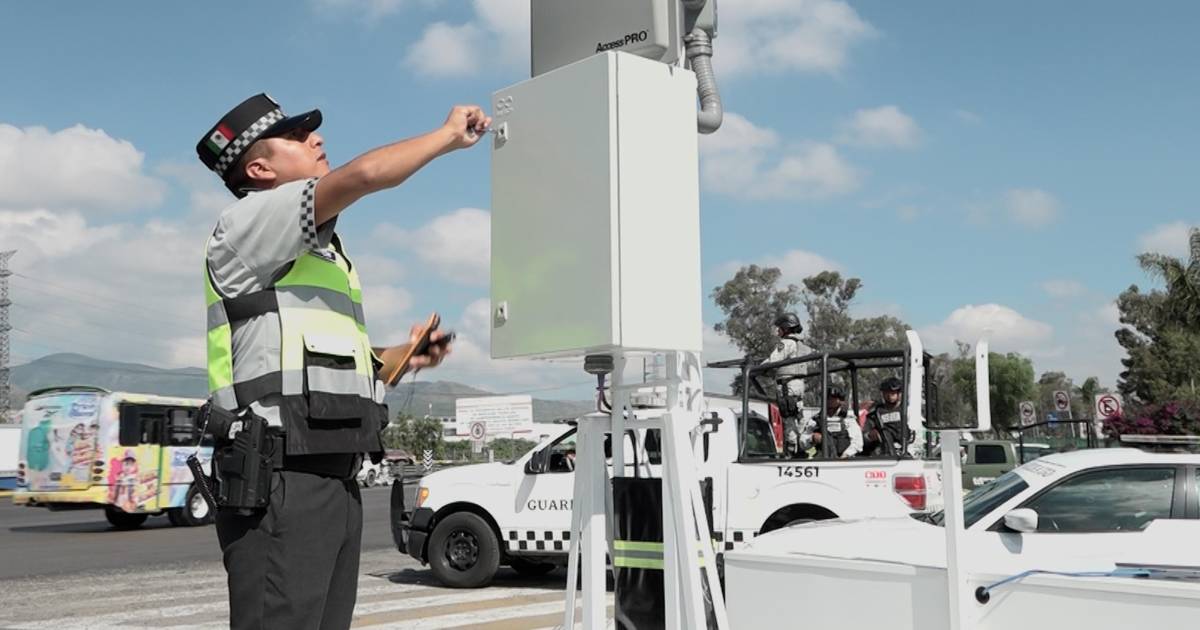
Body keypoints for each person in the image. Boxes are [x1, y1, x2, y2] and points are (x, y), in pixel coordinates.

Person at [197, 93, 483, 630]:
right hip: (281, 480)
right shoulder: (247, 224)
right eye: (297, 137)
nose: (317, 139)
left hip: (332, 478)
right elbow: (367, 174)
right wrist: (446, 136)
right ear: (258, 169)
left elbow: (340, 362)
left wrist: (406, 356)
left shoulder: (320, 256)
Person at [766, 312, 811, 457]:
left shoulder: (786, 343)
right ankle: (802, 448)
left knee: (789, 420)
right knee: (799, 417)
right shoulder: (802, 345)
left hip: (787, 386)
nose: (777, 331)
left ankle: (792, 453)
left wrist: (754, 368)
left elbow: (773, 361)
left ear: (786, 328)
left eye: (779, 328)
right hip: (799, 385)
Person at [799, 386, 863, 458]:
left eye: (832, 397)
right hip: (823, 461)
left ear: (839, 400)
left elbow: (858, 443)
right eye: (827, 397)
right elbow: (802, 442)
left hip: (845, 461)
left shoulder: (848, 419)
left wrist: (845, 455)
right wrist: (812, 438)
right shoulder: (816, 419)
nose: (829, 400)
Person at [862, 377, 914, 457]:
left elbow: (914, 434)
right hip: (882, 453)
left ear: (899, 394)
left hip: (905, 452)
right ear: (882, 394)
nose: (889, 396)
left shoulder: (907, 411)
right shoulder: (875, 413)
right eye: (887, 393)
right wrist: (870, 436)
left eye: (893, 393)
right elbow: (864, 436)